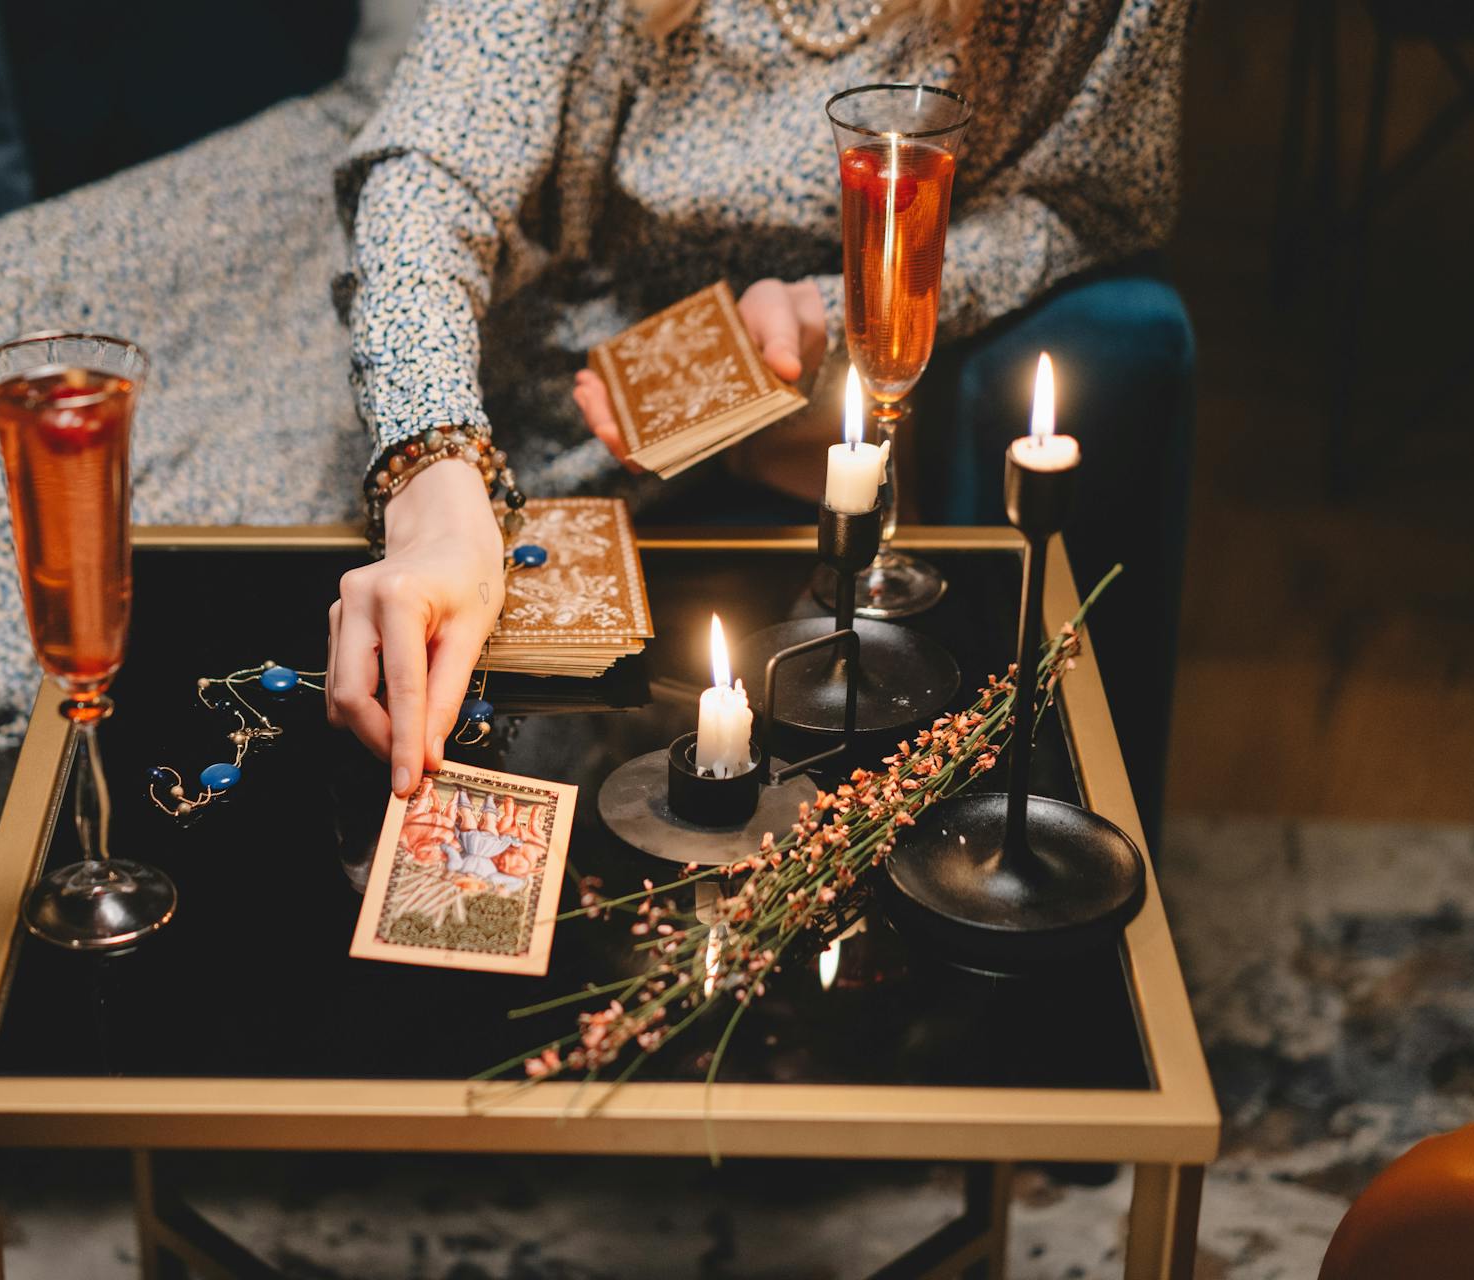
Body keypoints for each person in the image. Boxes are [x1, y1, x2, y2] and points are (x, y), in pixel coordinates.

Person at [325, 0, 1197, 831]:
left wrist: (846, 305)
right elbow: (430, 175)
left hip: (821, 398)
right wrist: (432, 471)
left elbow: (1092, 196)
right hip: (509, 365)